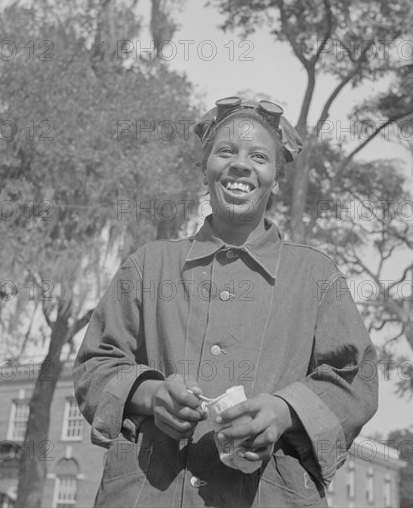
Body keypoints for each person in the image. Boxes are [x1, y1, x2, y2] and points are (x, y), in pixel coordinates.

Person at [73, 96, 379, 508]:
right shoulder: (147, 266)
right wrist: (150, 394)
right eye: (225, 151)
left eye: (259, 156)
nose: (241, 165)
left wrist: (283, 411)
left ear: (275, 177)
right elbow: (94, 366)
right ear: (205, 169)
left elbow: (355, 380)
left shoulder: (316, 276)